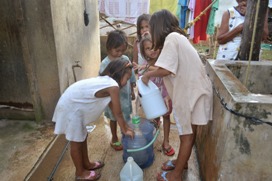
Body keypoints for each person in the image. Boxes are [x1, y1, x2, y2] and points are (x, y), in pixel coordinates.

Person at [141, 9, 213, 181]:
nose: (150, 33)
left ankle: (176, 175)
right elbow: (177, 70)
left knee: (186, 134)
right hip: (195, 92)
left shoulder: (172, 39)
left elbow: (166, 70)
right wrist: (169, 95)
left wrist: (147, 75)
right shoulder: (178, 38)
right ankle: (183, 163)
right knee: (188, 133)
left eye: (151, 29)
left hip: (190, 94)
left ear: (158, 27)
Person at [52, 59, 134, 180]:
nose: (127, 83)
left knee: (82, 136)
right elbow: (118, 113)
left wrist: (126, 127)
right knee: (76, 141)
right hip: (70, 107)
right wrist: (125, 130)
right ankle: (80, 173)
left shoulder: (107, 82)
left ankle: (86, 164)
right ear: (120, 74)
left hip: (72, 104)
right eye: (127, 79)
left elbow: (115, 109)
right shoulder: (113, 86)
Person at [99, 30, 136, 151]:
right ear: (109, 47)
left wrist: (132, 88)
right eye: (117, 50)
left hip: (124, 95)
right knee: (114, 118)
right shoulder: (104, 64)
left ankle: (124, 132)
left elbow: (130, 73)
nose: (120, 53)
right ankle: (114, 137)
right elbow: (102, 83)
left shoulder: (125, 59)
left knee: (125, 114)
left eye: (122, 50)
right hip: (111, 98)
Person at [139, 33, 175, 156]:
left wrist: (148, 69)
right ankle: (154, 130)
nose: (152, 51)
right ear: (143, 51)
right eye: (148, 48)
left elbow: (167, 73)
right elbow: (141, 80)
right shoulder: (144, 64)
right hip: (153, 99)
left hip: (165, 96)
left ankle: (166, 141)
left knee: (166, 117)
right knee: (154, 117)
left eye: (154, 47)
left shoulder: (163, 62)